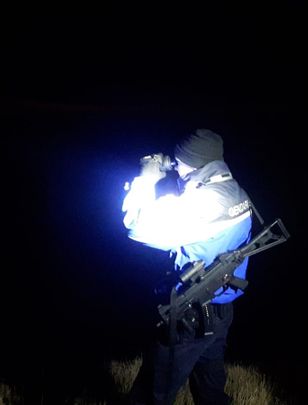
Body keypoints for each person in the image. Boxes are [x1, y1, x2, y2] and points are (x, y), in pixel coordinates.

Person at [122, 129, 254, 405]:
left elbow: (136, 226)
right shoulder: (234, 190)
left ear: (194, 163)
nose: (175, 166)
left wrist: (145, 182)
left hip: (190, 315)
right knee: (210, 387)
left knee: (153, 390)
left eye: (179, 161)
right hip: (220, 307)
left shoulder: (205, 202)